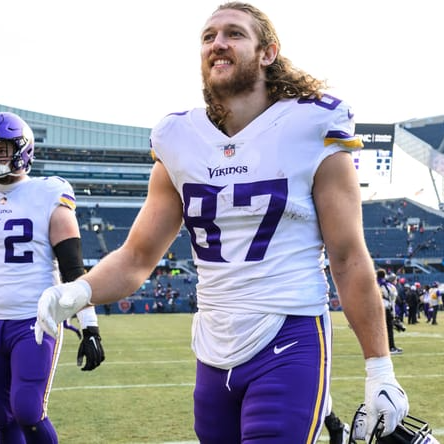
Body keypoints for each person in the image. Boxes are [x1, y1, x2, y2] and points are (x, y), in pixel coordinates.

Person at [35, 2, 408, 442]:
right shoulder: (179, 138)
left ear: (268, 52)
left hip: (288, 335)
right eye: (208, 36)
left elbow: (347, 257)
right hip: (212, 346)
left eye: (234, 33)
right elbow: (136, 257)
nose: (218, 43)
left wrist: (380, 368)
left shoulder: (311, 125)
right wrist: (78, 292)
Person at [0, 112, 105, 444]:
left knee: (27, 409)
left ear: (22, 150)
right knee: (1, 418)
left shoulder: (48, 191)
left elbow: (73, 268)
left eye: (2, 149)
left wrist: (89, 326)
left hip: (33, 320)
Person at [377, 270, 403, 355]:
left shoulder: (374, 284)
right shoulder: (389, 286)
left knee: (379, 329)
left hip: (376, 309)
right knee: (389, 329)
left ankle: (380, 348)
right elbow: (392, 301)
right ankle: (391, 347)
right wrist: (394, 314)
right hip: (386, 308)